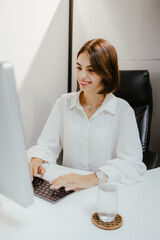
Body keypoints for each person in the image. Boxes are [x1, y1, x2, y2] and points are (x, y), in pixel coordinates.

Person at [28, 38, 146, 191]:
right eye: (79, 67)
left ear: (107, 72)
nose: (82, 76)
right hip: (67, 189)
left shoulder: (123, 110)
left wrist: (91, 178)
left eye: (91, 70)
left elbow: (132, 165)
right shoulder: (63, 103)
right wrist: (37, 160)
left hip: (104, 190)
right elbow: (47, 146)